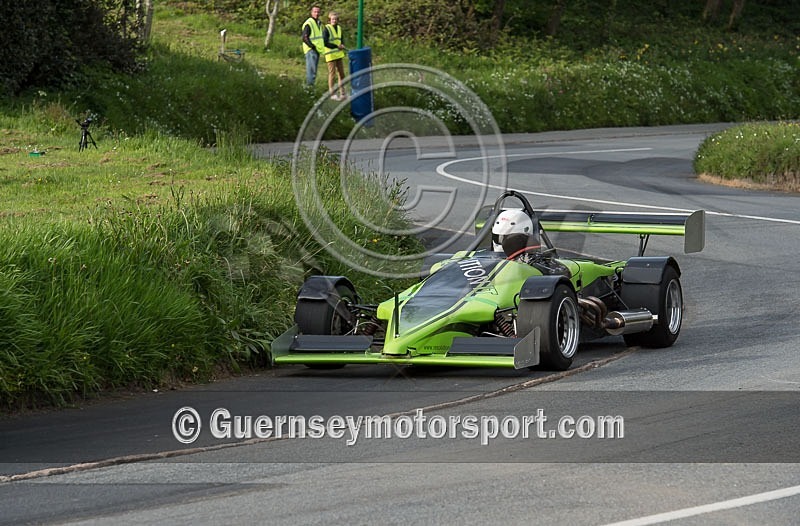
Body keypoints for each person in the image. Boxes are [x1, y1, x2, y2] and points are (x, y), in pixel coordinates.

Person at [323, 11, 347, 100]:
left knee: (341, 74)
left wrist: (342, 44)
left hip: (338, 54)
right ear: (329, 20)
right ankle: (332, 93)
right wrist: (337, 46)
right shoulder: (326, 29)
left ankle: (342, 93)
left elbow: (341, 39)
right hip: (330, 54)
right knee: (332, 74)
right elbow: (325, 43)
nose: (334, 21)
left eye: (336, 19)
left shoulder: (339, 28)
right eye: (333, 19)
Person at [301, 5, 326, 86]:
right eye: (315, 12)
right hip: (310, 49)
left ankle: (311, 85)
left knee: (314, 69)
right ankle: (309, 87)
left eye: (318, 12)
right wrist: (312, 46)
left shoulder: (319, 23)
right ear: (311, 13)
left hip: (316, 49)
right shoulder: (309, 23)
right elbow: (304, 37)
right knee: (311, 70)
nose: (316, 13)